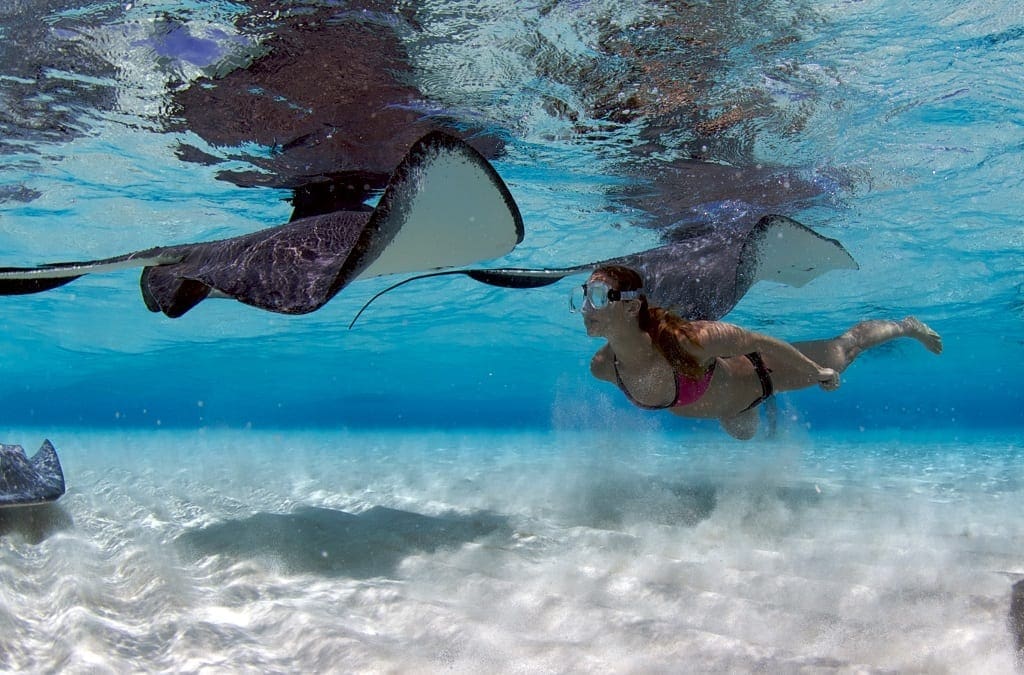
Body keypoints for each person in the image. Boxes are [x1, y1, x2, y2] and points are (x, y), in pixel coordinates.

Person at [574, 265, 943, 440]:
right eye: (582, 298)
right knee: (744, 434)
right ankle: (757, 409)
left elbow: (760, 342)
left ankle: (905, 326)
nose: (585, 309)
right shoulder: (603, 368)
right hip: (731, 408)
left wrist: (816, 372)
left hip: (764, 374)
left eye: (595, 298)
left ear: (629, 307)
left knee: (846, 349)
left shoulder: (688, 339)